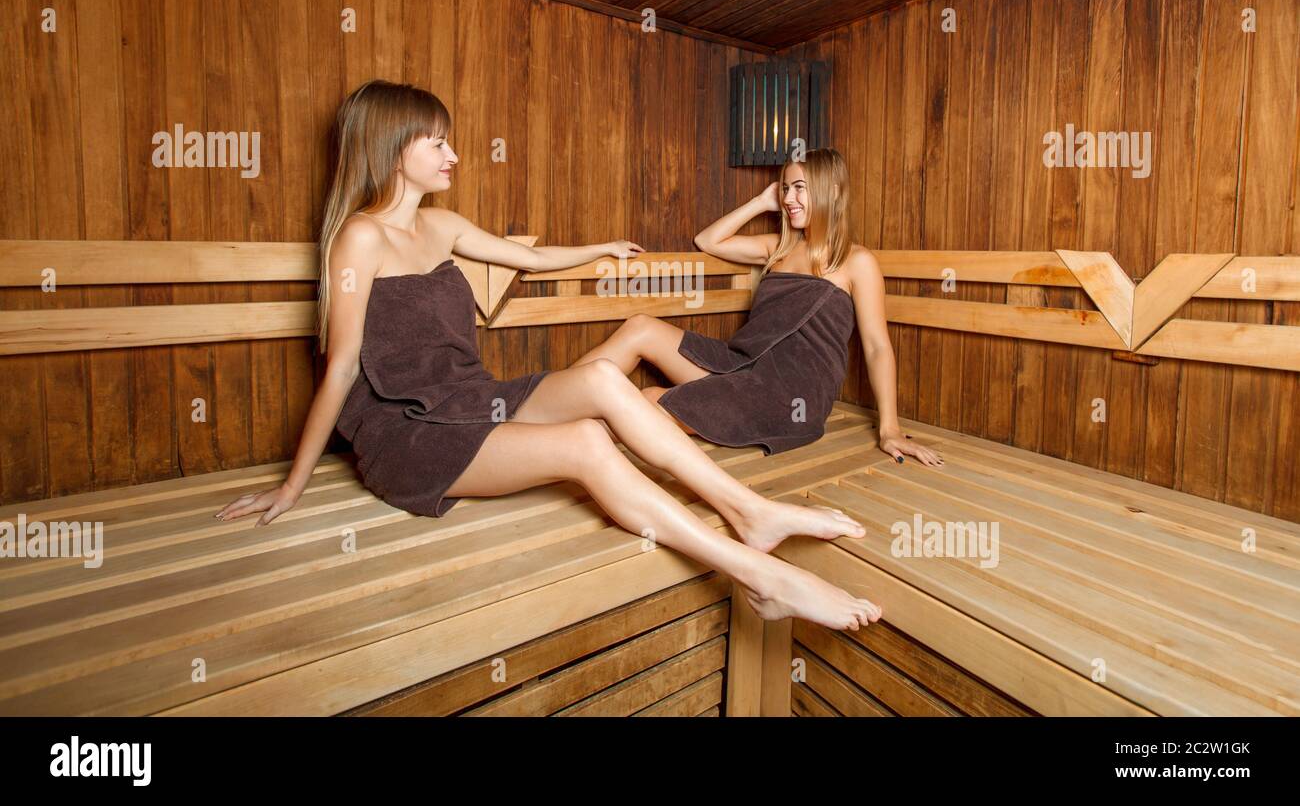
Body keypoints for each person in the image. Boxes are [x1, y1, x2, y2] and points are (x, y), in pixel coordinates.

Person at [216, 81, 883, 631]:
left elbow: (529, 259)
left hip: (470, 401)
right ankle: (760, 570)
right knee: (589, 443)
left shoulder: (441, 227)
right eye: (437, 141)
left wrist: (600, 249)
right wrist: (292, 484)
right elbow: (341, 366)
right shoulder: (360, 238)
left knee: (598, 378)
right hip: (409, 435)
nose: (452, 154)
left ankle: (750, 511)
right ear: (392, 148)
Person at [574, 148, 944, 468]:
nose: (788, 198)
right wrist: (760, 202)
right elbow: (708, 240)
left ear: (831, 192)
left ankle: (562, 438)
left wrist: (890, 428)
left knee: (651, 400)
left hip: (786, 394)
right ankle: (550, 402)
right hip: (741, 365)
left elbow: (878, 348)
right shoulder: (779, 248)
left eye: (800, 188)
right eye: (785, 188)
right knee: (641, 327)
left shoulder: (856, 261)